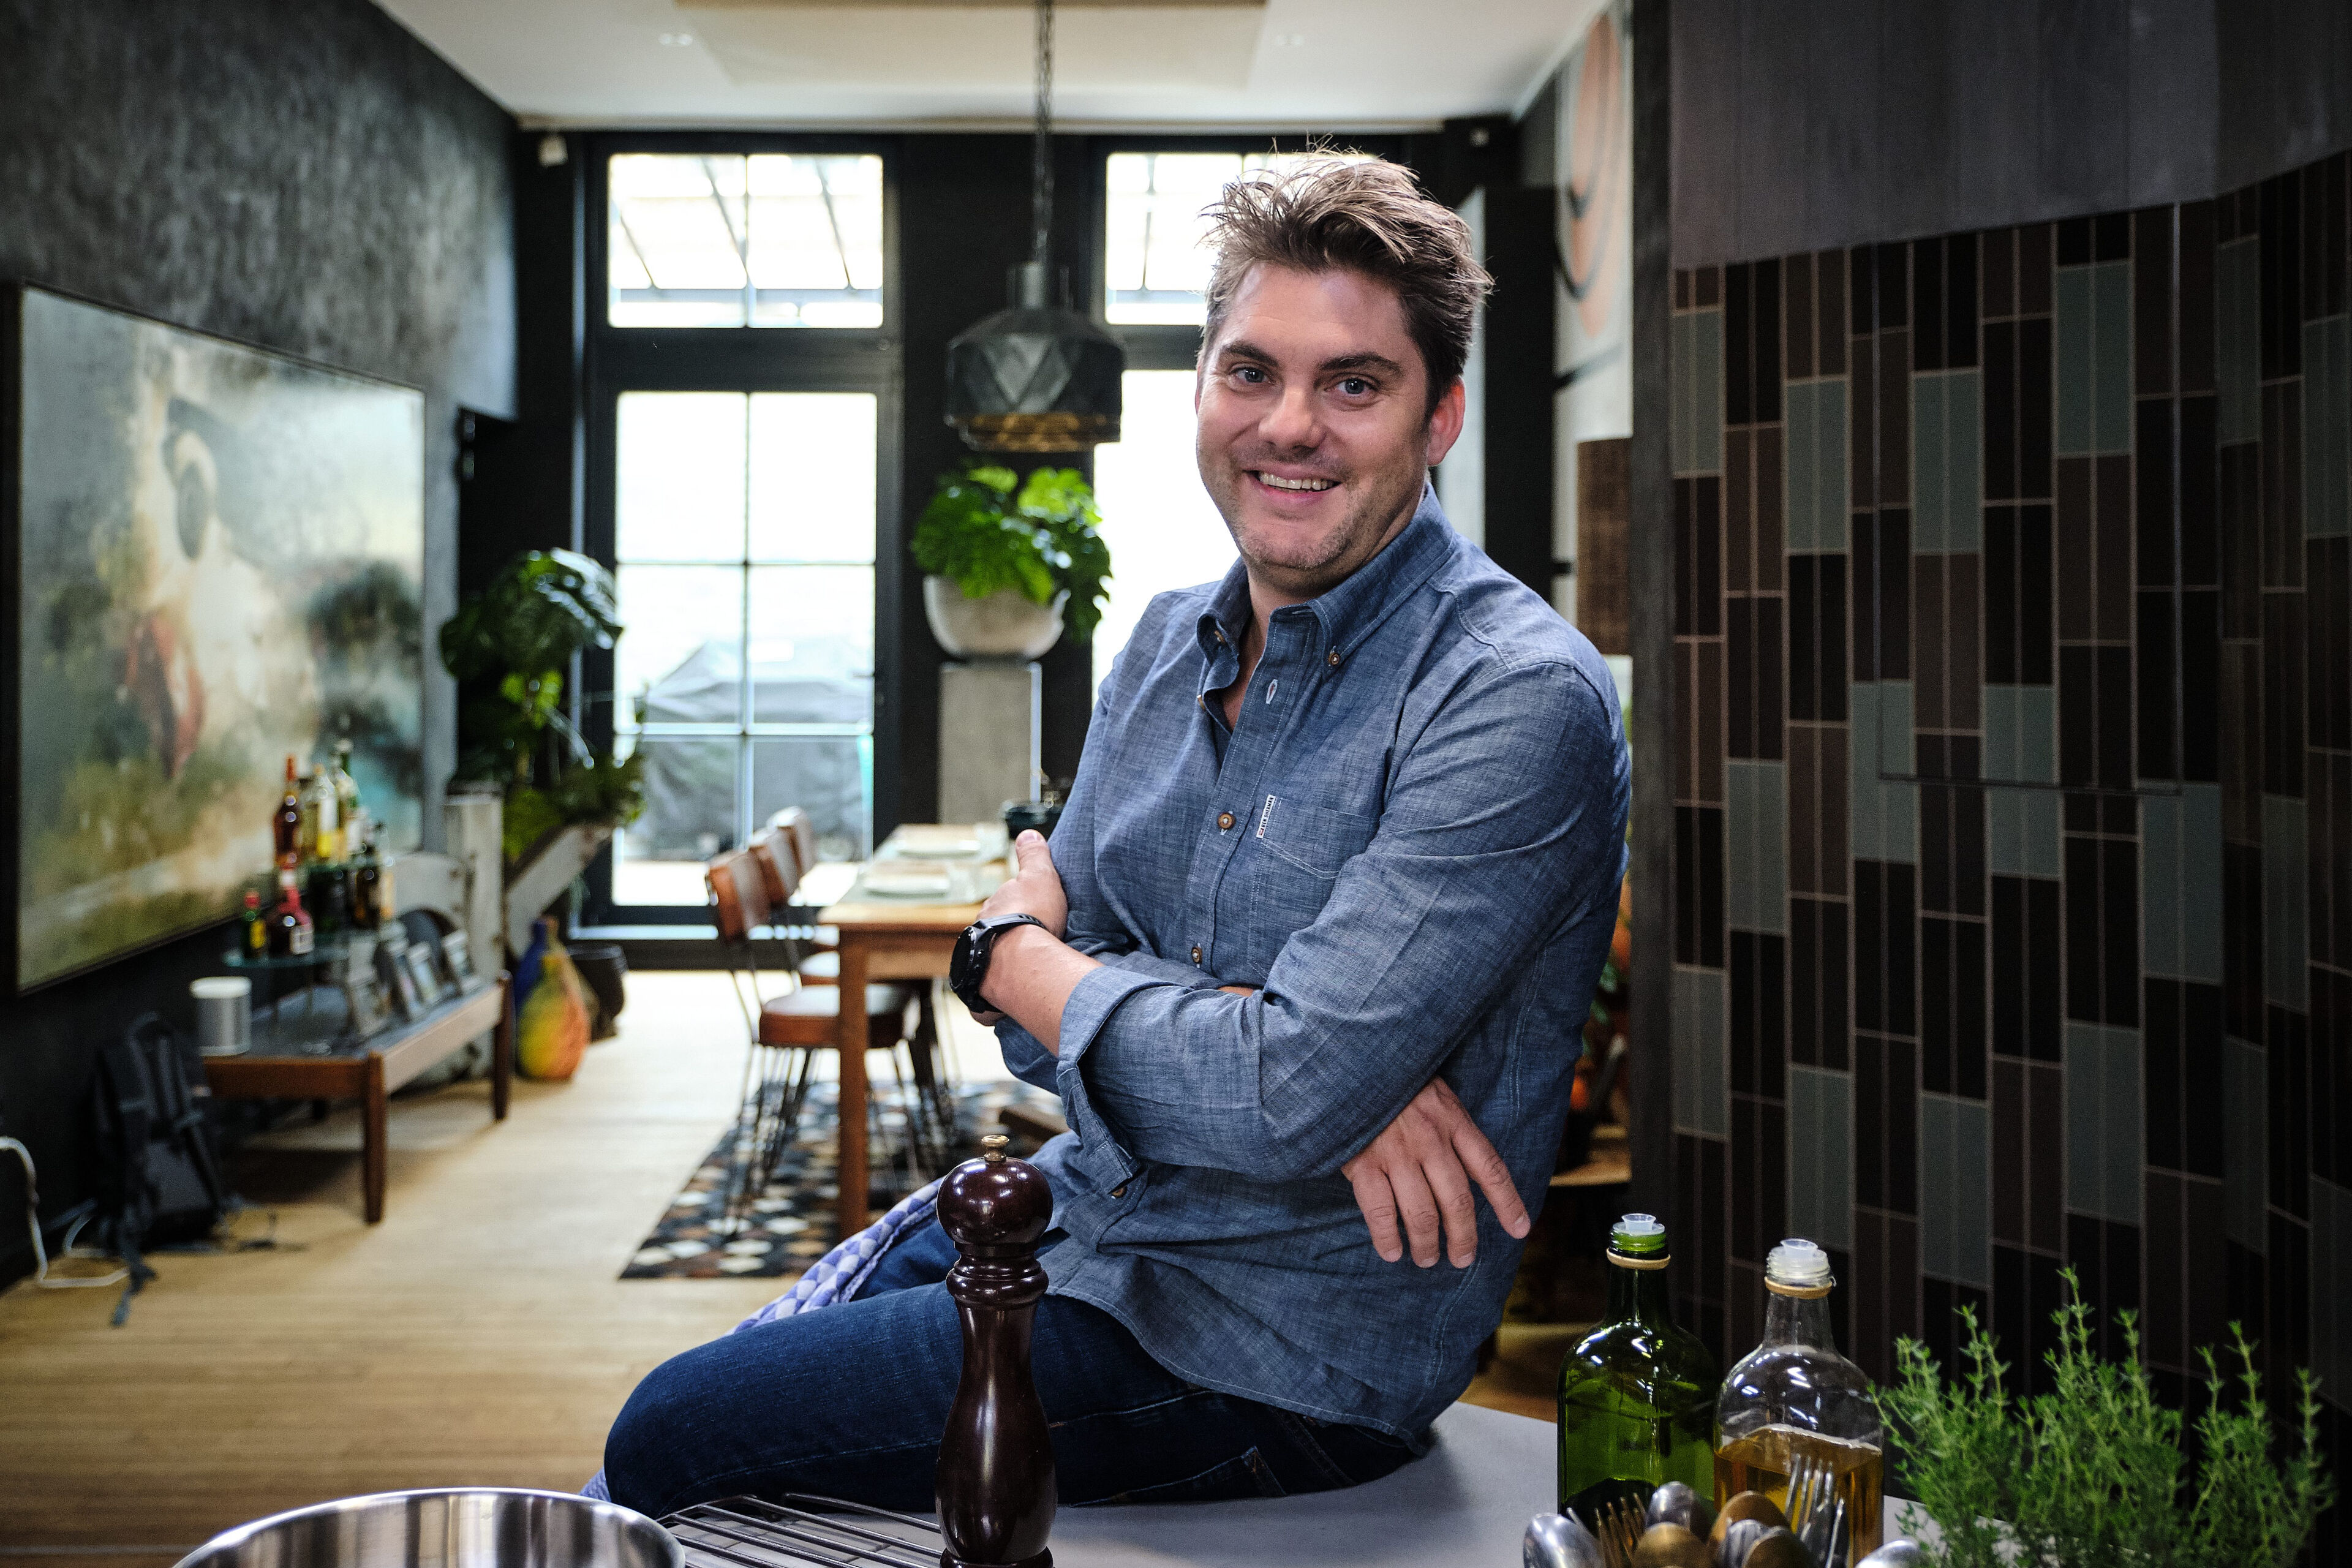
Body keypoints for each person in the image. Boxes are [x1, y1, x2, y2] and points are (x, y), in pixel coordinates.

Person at [599, 158, 1629, 1518]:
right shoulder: (1156, 643)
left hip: (1275, 1354)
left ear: (1439, 417)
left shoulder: (1514, 695)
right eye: (1250, 372)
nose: (1290, 425)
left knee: (670, 1431)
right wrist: (1280, 1048)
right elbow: (1063, 1058)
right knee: (721, 1397)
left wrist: (1019, 956)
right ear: (1201, 385)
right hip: (1079, 1220)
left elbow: (1242, 1079)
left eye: (1354, 385)